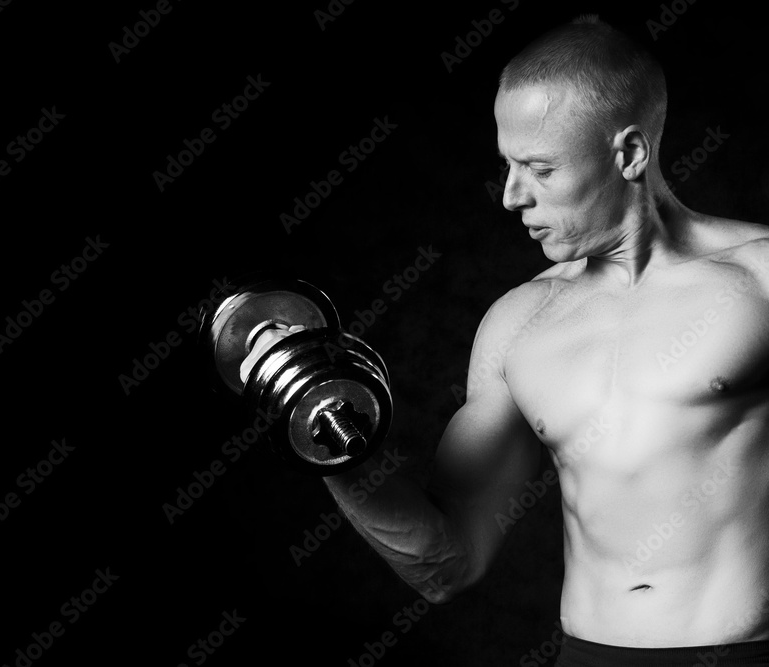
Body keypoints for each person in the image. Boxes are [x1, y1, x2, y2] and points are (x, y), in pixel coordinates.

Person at [242, 14, 769, 666]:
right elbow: (445, 562)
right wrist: (323, 432)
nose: (512, 196)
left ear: (629, 153)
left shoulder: (761, 279)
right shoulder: (520, 322)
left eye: (540, 168)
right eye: (507, 165)